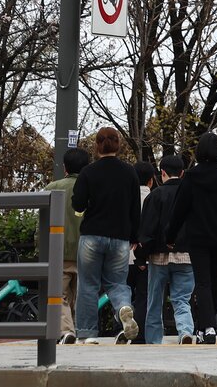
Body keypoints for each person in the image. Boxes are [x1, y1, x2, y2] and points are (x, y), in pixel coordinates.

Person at [165, 132, 217, 345]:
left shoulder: (191, 176)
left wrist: (170, 236)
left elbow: (179, 210)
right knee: (215, 280)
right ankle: (208, 328)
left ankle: (206, 327)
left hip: (198, 236)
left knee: (202, 282)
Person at [71, 127, 141, 343]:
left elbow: (79, 203)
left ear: (97, 145)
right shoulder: (129, 172)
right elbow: (135, 208)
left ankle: (88, 333)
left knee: (88, 285)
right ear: (118, 145)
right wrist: (134, 237)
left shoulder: (88, 172)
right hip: (120, 237)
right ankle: (123, 307)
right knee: (118, 283)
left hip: (92, 235)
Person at [138, 155, 196, 345]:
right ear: (182, 173)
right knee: (181, 299)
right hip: (187, 256)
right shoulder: (192, 194)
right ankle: (185, 331)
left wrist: (141, 257)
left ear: (161, 173)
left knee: (155, 301)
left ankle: (154, 340)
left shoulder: (155, 195)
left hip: (158, 257)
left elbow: (147, 230)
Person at [47, 147, 89, 344]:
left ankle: (66, 330)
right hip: (86, 251)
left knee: (59, 294)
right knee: (81, 295)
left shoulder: (52, 188)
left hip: (59, 251)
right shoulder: (92, 188)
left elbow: (42, 221)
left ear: (65, 168)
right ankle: (79, 330)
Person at [130, 160, 157, 345]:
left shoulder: (124, 198)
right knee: (144, 296)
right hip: (146, 256)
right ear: (151, 180)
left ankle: (121, 328)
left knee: (122, 293)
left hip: (122, 256)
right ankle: (139, 333)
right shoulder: (155, 198)